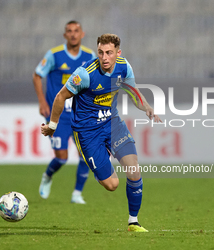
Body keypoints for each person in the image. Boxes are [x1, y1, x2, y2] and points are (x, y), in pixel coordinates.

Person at [41, 33, 162, 232]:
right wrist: (53, 126)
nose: (104, 57)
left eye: (109, 53)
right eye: (100, 52)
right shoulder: (85, 74)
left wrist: (147, 107)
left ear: (118, 53)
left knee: (134, 169)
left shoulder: (124, 67)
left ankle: (133, 221)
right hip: (87, 131)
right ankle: (99, 166)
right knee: (112, 184)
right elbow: (61, 96)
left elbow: (133, 92)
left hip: (112, 123)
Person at [33, 21, 96, 204]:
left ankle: (77, 193)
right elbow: (37, 75)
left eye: (76, 31)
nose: (73, 34)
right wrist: (42, 101)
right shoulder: (54, 55)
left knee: (86, 154)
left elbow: (94, 81)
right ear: (65, 35)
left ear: (82, 34)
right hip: (58, 114)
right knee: (62, 157)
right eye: (69, 31)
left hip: (81, 113)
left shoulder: (90, 55)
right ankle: (47, 176)